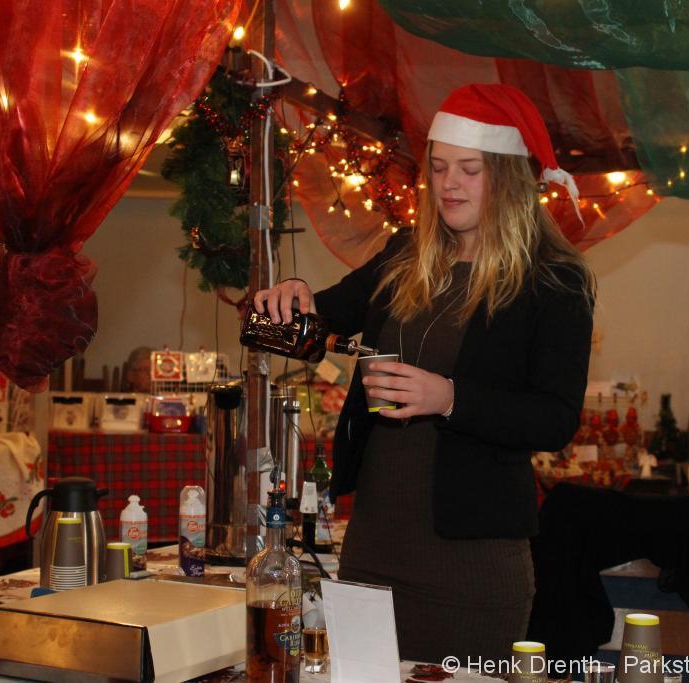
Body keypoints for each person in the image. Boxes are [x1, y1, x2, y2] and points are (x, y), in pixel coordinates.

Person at [253, 84, 595, 663]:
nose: (449, 184)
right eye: (438, 168)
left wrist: (450, 399)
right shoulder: (406, 254)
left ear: (509, 178)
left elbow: (555, 419)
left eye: (469, 170)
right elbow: (307, 321)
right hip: (372, 551)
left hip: (472, 566)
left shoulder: (554, 281)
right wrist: (293, 296)